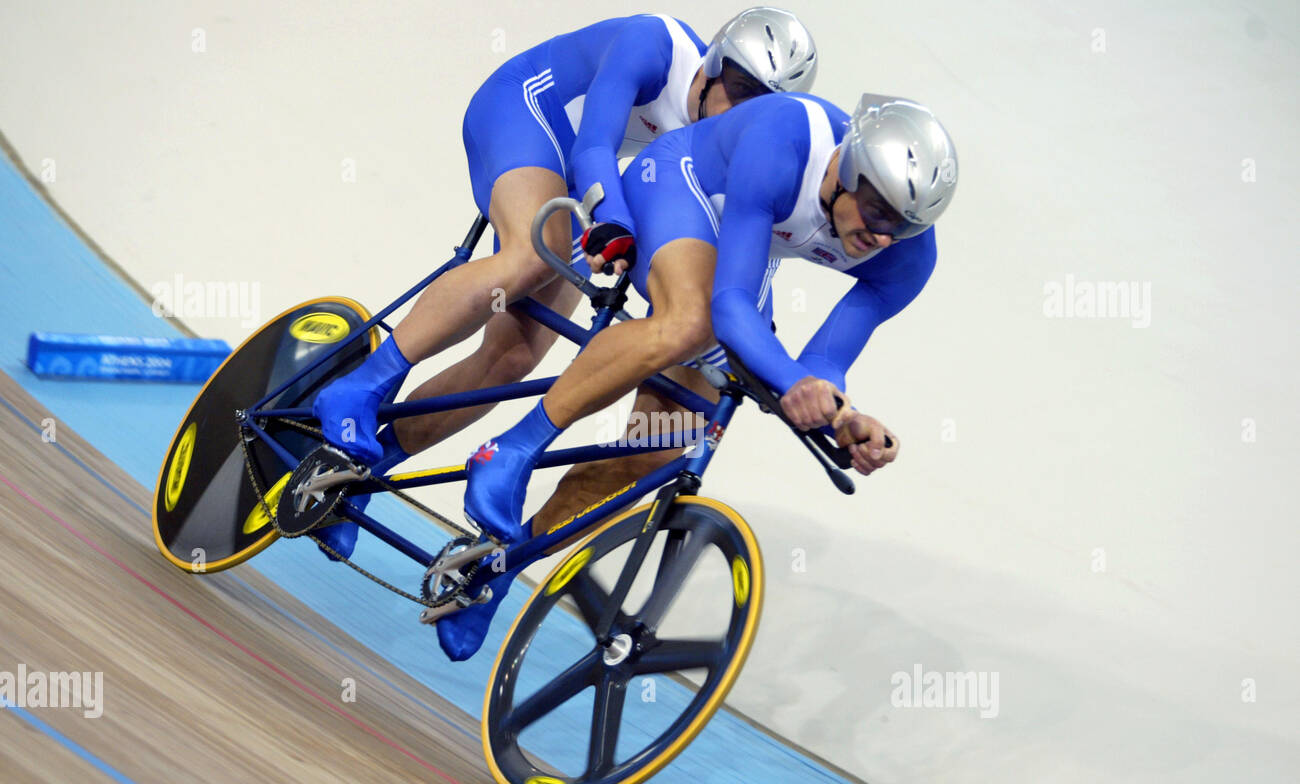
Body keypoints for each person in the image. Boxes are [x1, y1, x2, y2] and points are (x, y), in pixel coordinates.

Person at [440, 90, 958, 659]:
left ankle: (497, 569)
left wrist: (843, 415)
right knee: (690, 321)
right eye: (880, 213)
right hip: (677, 182)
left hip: (738, 247)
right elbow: (731, 305)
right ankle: (510, 450)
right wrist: (795, 385)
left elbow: (822, 364)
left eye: (905, 227)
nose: (884, 238)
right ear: (850, 169)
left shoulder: (909, 258)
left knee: (659, 453)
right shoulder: (788, 139)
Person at [309, 9, 818, 559]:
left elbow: (746, 256)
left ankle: (356, 482)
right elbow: (594, 145)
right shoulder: (654, 46)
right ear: (710, 68)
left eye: (760, 106)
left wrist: (757, 351)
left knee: (516, 361)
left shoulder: (752, 153)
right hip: (530, 115)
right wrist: (612, 222)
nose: (741, 113)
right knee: (534, 257)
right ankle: (359, 386)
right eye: (738, 90)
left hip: (593, 180)